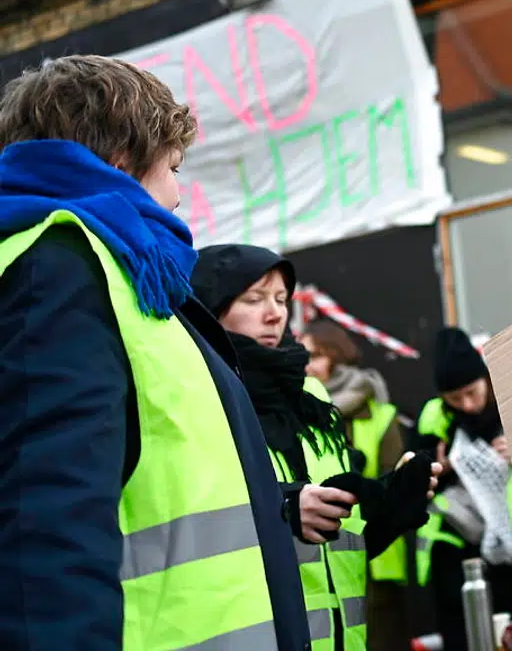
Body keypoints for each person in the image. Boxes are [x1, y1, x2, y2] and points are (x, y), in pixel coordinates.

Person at [0, 55, 311, 649]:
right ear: (121, 159)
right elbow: (42, 541)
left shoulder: (110, 271)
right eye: (172, 167)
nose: (175, 196)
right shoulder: (59, 270)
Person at [193, 243, 439, 651]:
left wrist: (389, 504)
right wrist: (284, 510)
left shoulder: (313, 395)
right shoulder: (203, 397)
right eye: (253, 300)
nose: (274, 313)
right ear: (211, 309)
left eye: (281, 299)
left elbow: (338, 547)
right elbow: (194, 534)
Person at [413, 326, 512, 651]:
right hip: (458, 552)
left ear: (486, 379)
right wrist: (441, 467)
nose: (467, 405)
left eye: (472, 393)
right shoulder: (434, 417)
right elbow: (414, 474)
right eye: (454, 399)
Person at [300, 319, 413, 650]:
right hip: (321, 554)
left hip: (374, 557)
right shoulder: (298, 411)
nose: (308, 365)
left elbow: (393, 482)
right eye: (303, 355)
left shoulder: (379, 415)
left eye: (316, 355)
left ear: (338, 357)